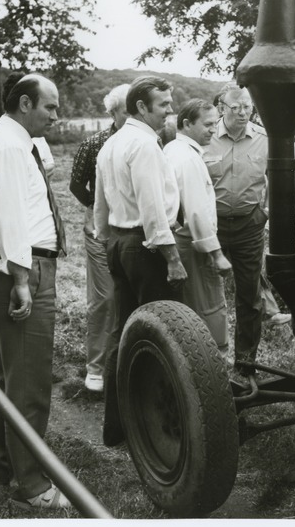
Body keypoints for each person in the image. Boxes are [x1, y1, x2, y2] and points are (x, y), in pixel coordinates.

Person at [0, 72, 70, 510]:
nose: (56, 114)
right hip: (18, 272)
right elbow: (11, 217)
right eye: (50, 106)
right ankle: (31, 487)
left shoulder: (12, 139)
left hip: (9, 267)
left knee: (10, 378)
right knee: (27, 385)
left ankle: (1, 468)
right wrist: (23, 281)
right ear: (25, 103)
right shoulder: (9, 147)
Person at [94, 75, 187, 446]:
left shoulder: (112, 145)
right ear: (141, 108)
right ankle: (167, 426)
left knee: (123, 333)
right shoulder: (145, 146)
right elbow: (152, 210)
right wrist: (172, 258)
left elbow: (99, 209)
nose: (170, 111)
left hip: (119, 243)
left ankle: (117, 426)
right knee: (165, 334)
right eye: (163, 104)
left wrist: (107, 243)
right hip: (145, 247)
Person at [203, 84, 268, 376]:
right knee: (204, 293)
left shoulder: (265, 140)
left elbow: (281, 181)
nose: (242, 113)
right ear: (221, 108)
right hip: (210, 226)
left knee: (249, 296)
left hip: (248, 225)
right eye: (236, 107)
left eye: (247, 107)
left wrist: (265, 213)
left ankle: (246, 363)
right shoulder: (204, 138)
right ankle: (204, 358)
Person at [68, 83, 129, 392]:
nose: (131, 115)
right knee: (104, 298)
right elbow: (76, 184)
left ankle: (126, 364)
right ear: (112, 113)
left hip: (133, 229)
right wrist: (96, 207)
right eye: (125, 111)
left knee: (128, 296)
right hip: (100, 230)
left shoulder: (150, 141)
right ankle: (95, 367)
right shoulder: (94, 143)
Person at [164, 99, 233, 355]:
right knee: (209, 305)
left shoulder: (173, 150)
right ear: (186, 123)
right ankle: (215, 362)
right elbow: (195, 210)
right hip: (193, 245)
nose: (213, 130)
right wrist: (216, 254)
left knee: (188, 305)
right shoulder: (187, 159)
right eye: (207, 125)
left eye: (215, 124)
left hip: (183, 240)